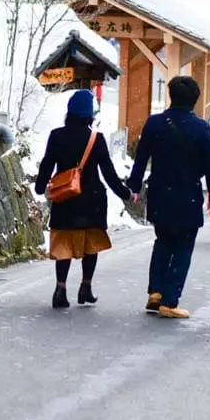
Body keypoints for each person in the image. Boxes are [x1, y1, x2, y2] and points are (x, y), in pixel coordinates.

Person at [126, 76, 210, 319]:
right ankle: (170, 301)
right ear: (195, 100)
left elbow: (141, 158)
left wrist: (134, 186)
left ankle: (155, 292)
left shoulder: (155, 123)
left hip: (160, 193)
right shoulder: (201, 128)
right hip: (187, 195)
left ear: (170, 95)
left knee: (163, 240)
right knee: (183, 246)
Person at [35, 89, 132, 309]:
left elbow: (47, 163)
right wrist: (124, 193)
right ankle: (85, 287)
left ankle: (60, 289)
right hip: (91, 201)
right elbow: (108, 172)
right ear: (90, 114)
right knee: (91, 245)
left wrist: (41, 186)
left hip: (66, 199)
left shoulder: (57, 136)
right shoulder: (95, 139)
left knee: (64, 247)